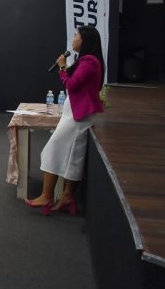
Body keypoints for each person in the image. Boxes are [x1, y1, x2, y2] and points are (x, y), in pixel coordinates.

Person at [25, 26, 106, 214]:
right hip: (74, 113)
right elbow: (74, 80)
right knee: (72, 157)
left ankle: (46, 196)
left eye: (77, 36)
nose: (74, 39)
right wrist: (65, 68)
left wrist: (62, 66)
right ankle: (68, 196)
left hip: (78, 116)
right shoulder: (85, 60)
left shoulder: (90, 61)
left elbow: (71, 84)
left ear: (85, 40)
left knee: (52, 150)